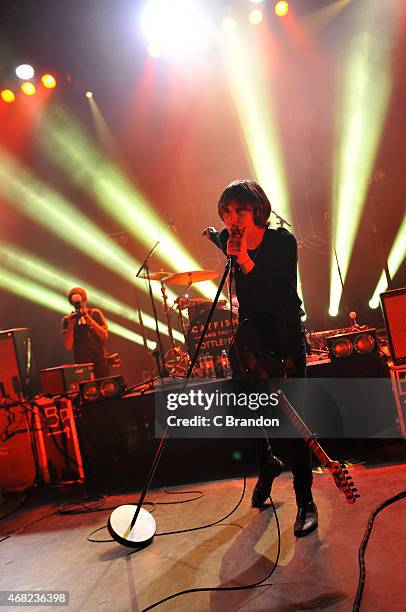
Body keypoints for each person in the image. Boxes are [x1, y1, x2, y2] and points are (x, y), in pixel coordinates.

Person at [208, 179, 317, 537]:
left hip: (284, 336)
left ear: (256, 208)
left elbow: (280, 299)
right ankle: (266, 462)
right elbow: (220, 239)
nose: (231, 218)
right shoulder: (228, 241)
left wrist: (245, 261)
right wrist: (215, 237)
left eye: (238, 209)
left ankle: (305, 502)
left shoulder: (281, 243)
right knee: (245, 408)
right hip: (249, 338)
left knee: (292, 420)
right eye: (226, 212)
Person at [62, 287, 109, 379]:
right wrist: (70, 326)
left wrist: (91, 322)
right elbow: (68, 346)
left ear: (85, 300)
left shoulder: (95, 313)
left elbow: (105, 336)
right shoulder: (68, 320)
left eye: (81, 301)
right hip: (82, 364)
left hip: (100, 361)